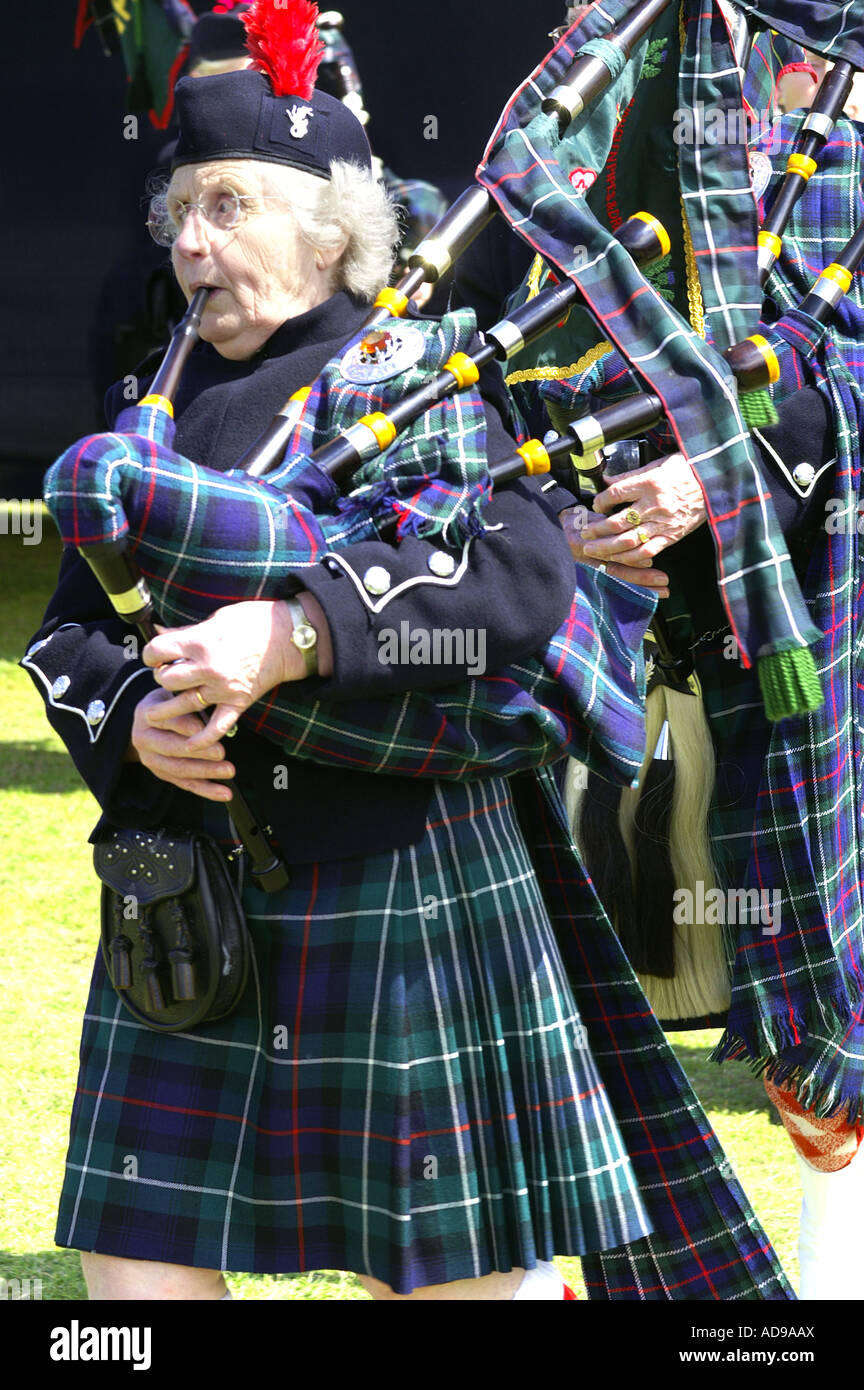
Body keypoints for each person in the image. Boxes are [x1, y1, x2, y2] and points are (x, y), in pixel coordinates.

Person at [26, 0, 794, 1304]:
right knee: (134, 1263)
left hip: (405, 882)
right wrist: (124, 726)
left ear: (330, 230)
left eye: (226, 205)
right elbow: (69, 634)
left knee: (448, 1278)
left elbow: (519, 574)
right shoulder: (156, 406)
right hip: (190, 893)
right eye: (181, 212)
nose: (192, 244)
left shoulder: (421, 373)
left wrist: (303, 631)